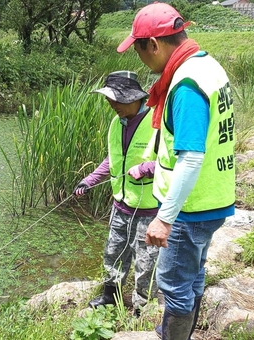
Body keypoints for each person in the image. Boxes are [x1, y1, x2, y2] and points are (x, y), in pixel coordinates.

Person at [117, 2, 235, 340]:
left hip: (191, 207)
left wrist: (165, 217)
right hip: (214, 198)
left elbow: (192, 157)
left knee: (173, 283)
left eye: (138, 49)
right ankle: (178, 332)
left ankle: (173, 336)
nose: (139, 58)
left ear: (153, 44)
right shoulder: (207, 65)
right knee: (194, 274)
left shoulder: (185, 85)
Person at [73, 70, 160, 316]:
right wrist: (89, 180)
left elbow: (172, 161)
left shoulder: (156, 121)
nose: (112, 105)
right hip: (121, 205)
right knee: (114, 252)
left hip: (149, 210)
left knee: (145, 262)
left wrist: (146, 168)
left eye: (117, 100)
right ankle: (110, 296)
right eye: (110, 100)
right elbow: (112, 159)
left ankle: (142, 308)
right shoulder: (116, 123)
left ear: (135, 98)